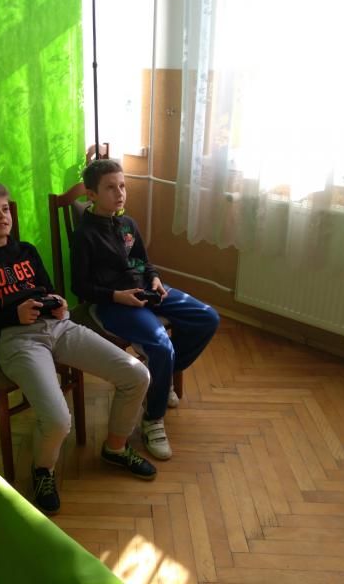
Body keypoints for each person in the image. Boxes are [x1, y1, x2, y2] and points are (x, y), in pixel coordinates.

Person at [0, 181, 157, 515]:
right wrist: (11, 315)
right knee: (59, 420)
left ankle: (115, 448)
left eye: (5, 209)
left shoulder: (26, 250)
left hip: (59, 327)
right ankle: (43, 469)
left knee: (137, 375)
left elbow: (46, 288)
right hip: (16, 340)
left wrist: (57, 302)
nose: (2, 216)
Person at [70, 159, 220, 461]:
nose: (120, 193)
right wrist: (117, 296)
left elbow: (144, 261)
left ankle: (161, 378)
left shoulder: (128, 224)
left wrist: (155, 278)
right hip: (113, 303)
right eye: (110, 188)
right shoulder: (85, 234)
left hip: (147, 291)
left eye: (122, 186)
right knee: (161, 347)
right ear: (92, 194)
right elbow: (80, 287)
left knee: (207, 317)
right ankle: (153, 418)